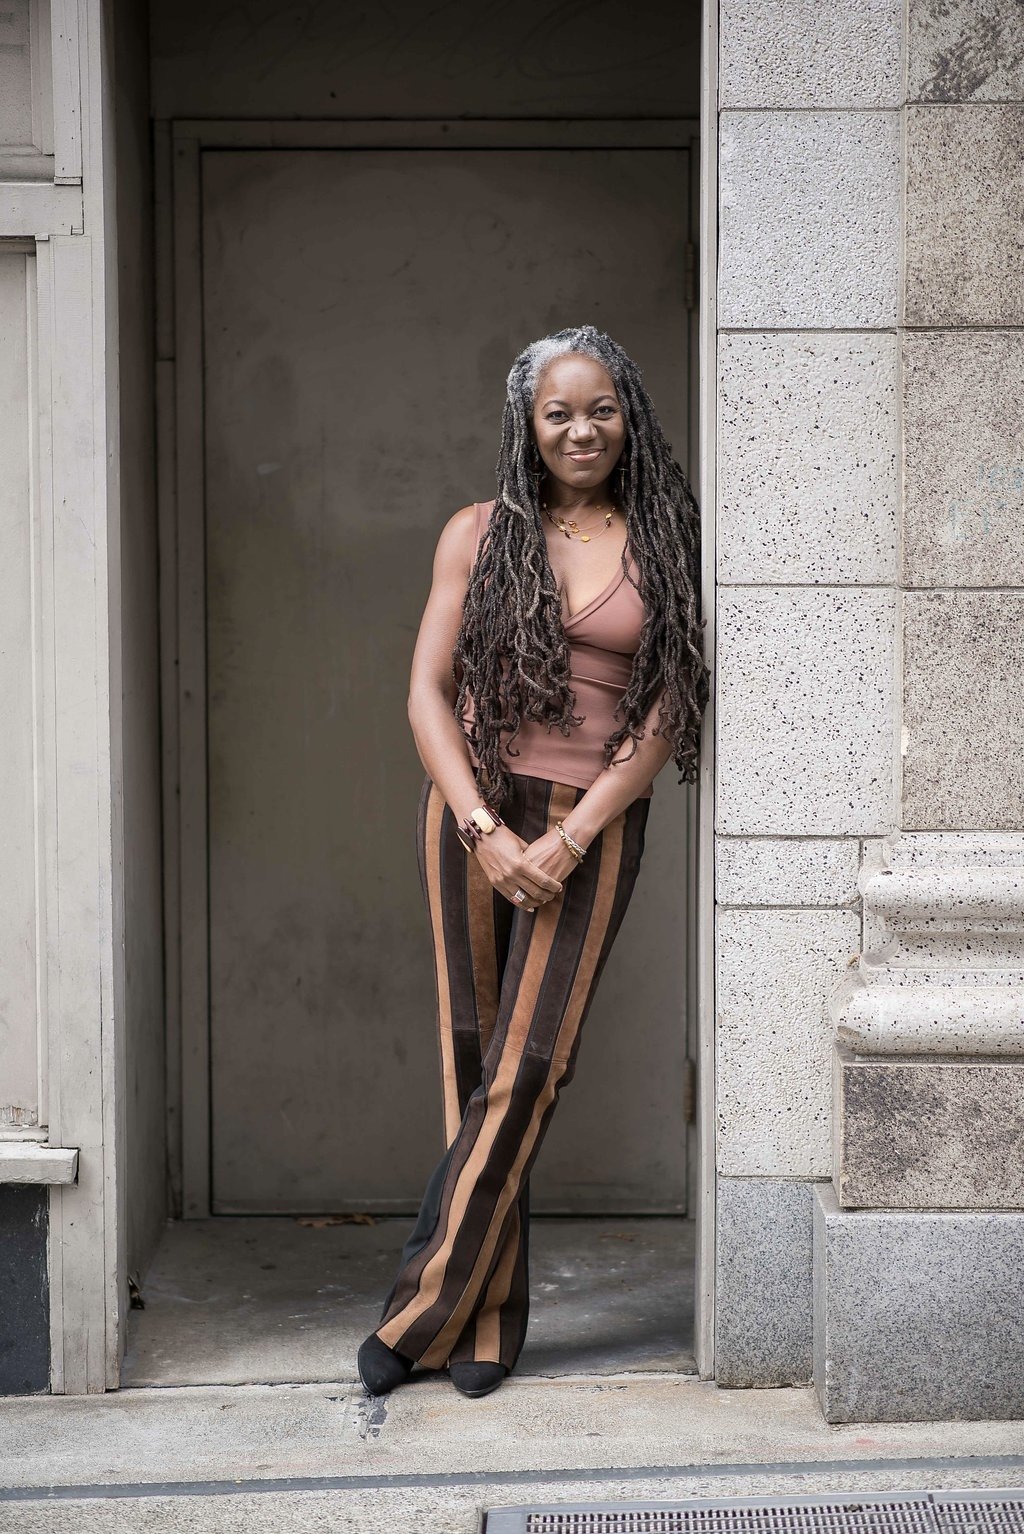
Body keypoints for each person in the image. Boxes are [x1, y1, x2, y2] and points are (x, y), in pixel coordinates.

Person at [357, 324, 710, 1399]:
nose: (580, 429)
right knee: (471, 1057)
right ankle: (485, 1322)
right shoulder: (478, 532)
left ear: (627, 415)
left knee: (532, 1063)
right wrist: (482, 826)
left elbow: (664, 713)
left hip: (588, 822)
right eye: (558, 412)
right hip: (474, 809)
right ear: (528, 422)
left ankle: (416, 1314)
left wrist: (570, 834)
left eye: (599, 408)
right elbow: (426, 692)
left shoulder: (666, 539)